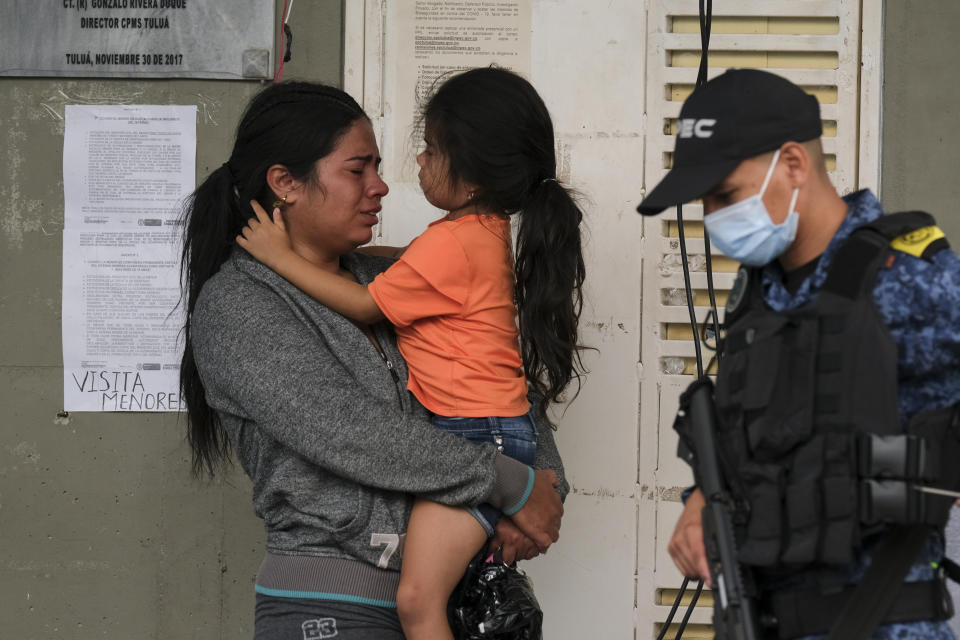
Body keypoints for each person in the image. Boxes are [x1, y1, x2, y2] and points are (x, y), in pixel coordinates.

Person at [179, 80, 568, 640]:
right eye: (357, 170)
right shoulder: (239, 307)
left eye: (378, 167)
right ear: (285, 184)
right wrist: (506, 482)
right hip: (332, 606)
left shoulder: (386, 280)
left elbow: (500, 380)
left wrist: (543, 482)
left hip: (447, 601)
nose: (381, 187)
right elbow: (349, 432)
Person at [636, 69, 960, 639]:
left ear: (792, 164)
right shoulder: (758, 297)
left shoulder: (905, 280)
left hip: (884, 619)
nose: (713, 217)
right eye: (705, 201)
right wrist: (701, 502)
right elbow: (762, 439)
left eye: (725, 194)